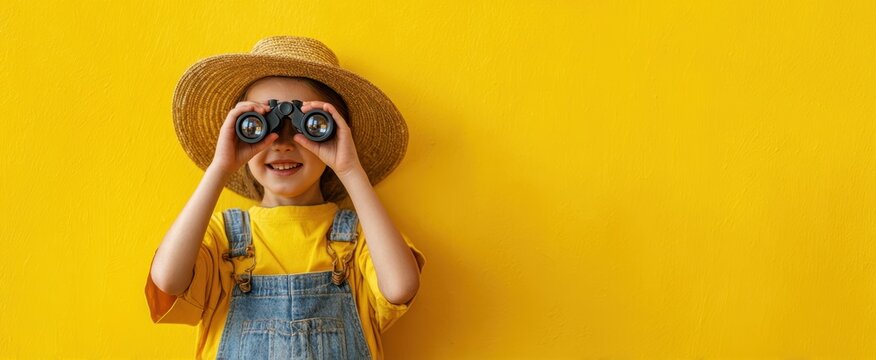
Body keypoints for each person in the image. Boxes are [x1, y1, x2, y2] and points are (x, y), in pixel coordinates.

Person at [144, 36, 426, 360]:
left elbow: (401, 286)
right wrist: (220, 167)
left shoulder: (360, 239)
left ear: (335, 134)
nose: (282, 142)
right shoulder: (222, 238)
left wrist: (350, 169)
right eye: (259, 126)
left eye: (311, 126)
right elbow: (167, 279)